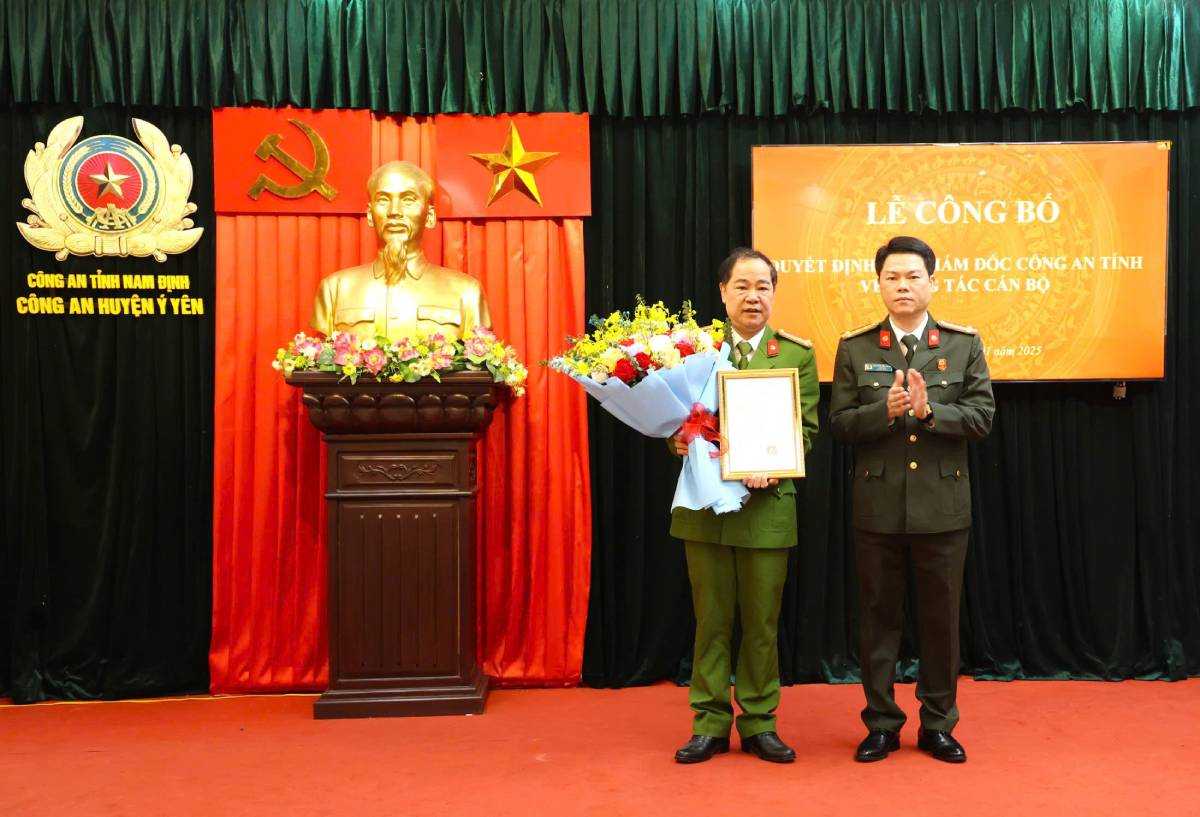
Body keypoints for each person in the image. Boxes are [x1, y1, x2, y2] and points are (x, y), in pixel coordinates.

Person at [829, 235, 995, 764]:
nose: (902, 286)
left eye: (913, 276)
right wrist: (884, 411)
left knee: (941, 622)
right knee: (878, 620)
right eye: (892, 277)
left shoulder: (962, 344)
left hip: (943, 509)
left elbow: (982, 419)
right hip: (877, 507)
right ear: (879, 284)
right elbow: (839, 424)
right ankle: (881, 724)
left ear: (931, 282)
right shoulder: (856, 347)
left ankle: (938, 724)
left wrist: (928, 413)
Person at [669, 247, 819, 764]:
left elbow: (806, 431)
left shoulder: (795, 355)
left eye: (763, 287)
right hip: (705, 507)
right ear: (723, 292)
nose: (753, 296)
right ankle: (708, 723)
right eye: (742, 286)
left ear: (774, 293)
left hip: (767, 507)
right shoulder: (694, 353)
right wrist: (676, 440)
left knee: (761, 623)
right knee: (710, 622)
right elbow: (675, 418)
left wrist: (773, 463)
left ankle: (759, 722)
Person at [310, 160, 490, 342]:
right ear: (370, 215)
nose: (394, 211)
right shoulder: (335, 289)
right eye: (383, 200)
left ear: (430, 216)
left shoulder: (466, 292)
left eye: (408, 200)